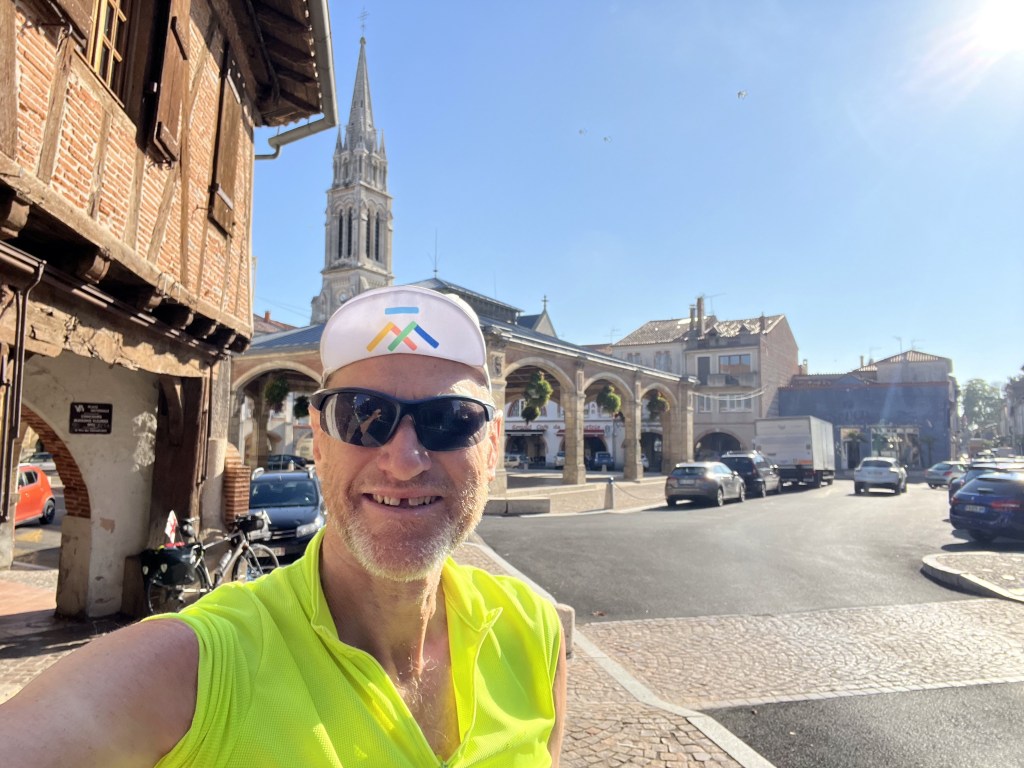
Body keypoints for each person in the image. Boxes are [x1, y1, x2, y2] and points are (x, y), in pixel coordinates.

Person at [0, 285, 567, 766]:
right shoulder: (197, 665)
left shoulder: (534, 632)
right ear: (318, 441)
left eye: (450, 421)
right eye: (361, 416)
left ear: (492, 446)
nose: (403, 460)